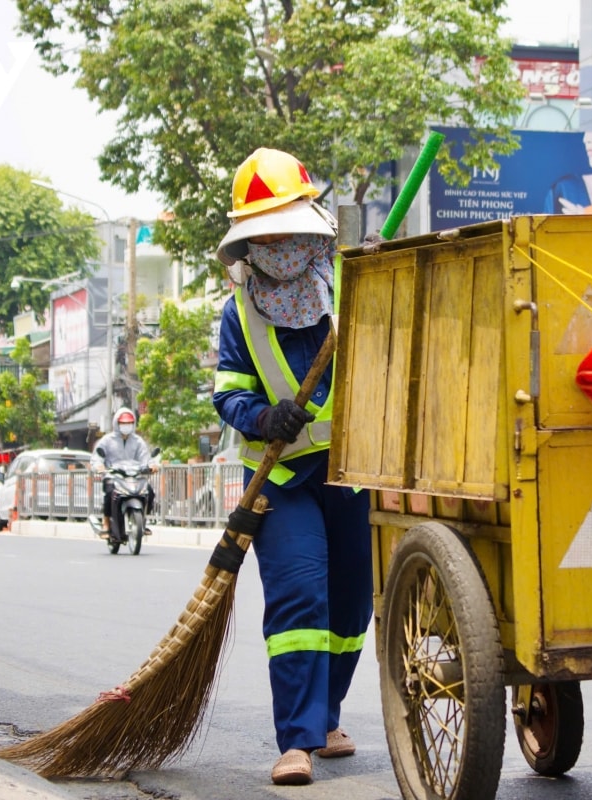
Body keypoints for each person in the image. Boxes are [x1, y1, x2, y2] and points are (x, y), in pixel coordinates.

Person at [212, 147, 372, 787]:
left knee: (352, 603)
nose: (281, 243)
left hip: (351, 472)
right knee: (301, 598)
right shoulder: (240, 313)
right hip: (282, 482)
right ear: (250, 244)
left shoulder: (347, 290)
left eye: (290, 230)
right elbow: (228, 393)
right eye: (266, 234)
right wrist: (261, 417)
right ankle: (298, 740)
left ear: (312, 233)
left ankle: (327, 715)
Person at [90, 406, 156, 537]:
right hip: (113, 476)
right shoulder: (107, 440)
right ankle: (106, 522)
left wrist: (152, 466)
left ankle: (142, 521)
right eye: (123, 423)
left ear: (133, 424)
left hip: (134, 477)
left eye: (129, 423)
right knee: (109, 493)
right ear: (117, 423)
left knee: (150, 492)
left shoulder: (138, 441)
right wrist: (99, 466)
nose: (126, 426)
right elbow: (97, 457)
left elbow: (146, 458)